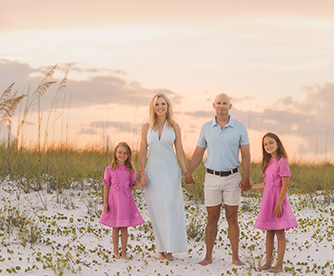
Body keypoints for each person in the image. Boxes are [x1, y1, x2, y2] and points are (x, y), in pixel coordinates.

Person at [185, 93, 251, 266]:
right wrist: (189, 172)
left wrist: (247, 176)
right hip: (212, 178)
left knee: (232, 218)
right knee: (212, 218)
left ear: (230, 106)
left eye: (225, 103)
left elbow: (246, 154)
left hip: (232, 177)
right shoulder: (206, 127)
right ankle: (208, 256)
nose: (222, 106)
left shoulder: (239, 127)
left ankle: (235, 257)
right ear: (214, 106)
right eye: (219, 103)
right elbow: (199, 152)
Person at [139, 93, 189, 261]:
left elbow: (180, 152)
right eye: (157, 104)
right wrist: (141, 173)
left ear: (168, 106)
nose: (160, 107)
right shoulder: (147, 127)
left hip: (171, 173)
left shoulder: (174, 127)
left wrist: (187, 172)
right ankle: (160, 249)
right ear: (153, 108)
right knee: (157, 211)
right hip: (153, 173)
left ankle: (169, 250)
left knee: (169, 209)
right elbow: (142, 151)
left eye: (163, 104)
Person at [248, 133, 298, 273]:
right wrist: (249, 186)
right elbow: (264, 184)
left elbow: (285, 185)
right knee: (269, 232)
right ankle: (268, 262)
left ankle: (279, 264)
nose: (268, 146)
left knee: (279, 232)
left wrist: (279, 204)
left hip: (278, 201)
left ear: (277, 143)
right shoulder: (268, 163)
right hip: (268, 201)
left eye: (271, 142)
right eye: (265, 144)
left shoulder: (282, 162)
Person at [98, 142, 145, 259]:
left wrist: (140, 185)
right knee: (115, 227)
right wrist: (105, 202)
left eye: (125, 153)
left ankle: (124, 252)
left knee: (124, 227)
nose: (122, 155)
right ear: (115, 153)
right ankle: (115, 251)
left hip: (125, 202)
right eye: (120, 152)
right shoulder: (109, 169)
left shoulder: (131, 170)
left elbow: (131, 186)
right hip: (113, 201)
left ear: (128, 155)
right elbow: (106, 186)